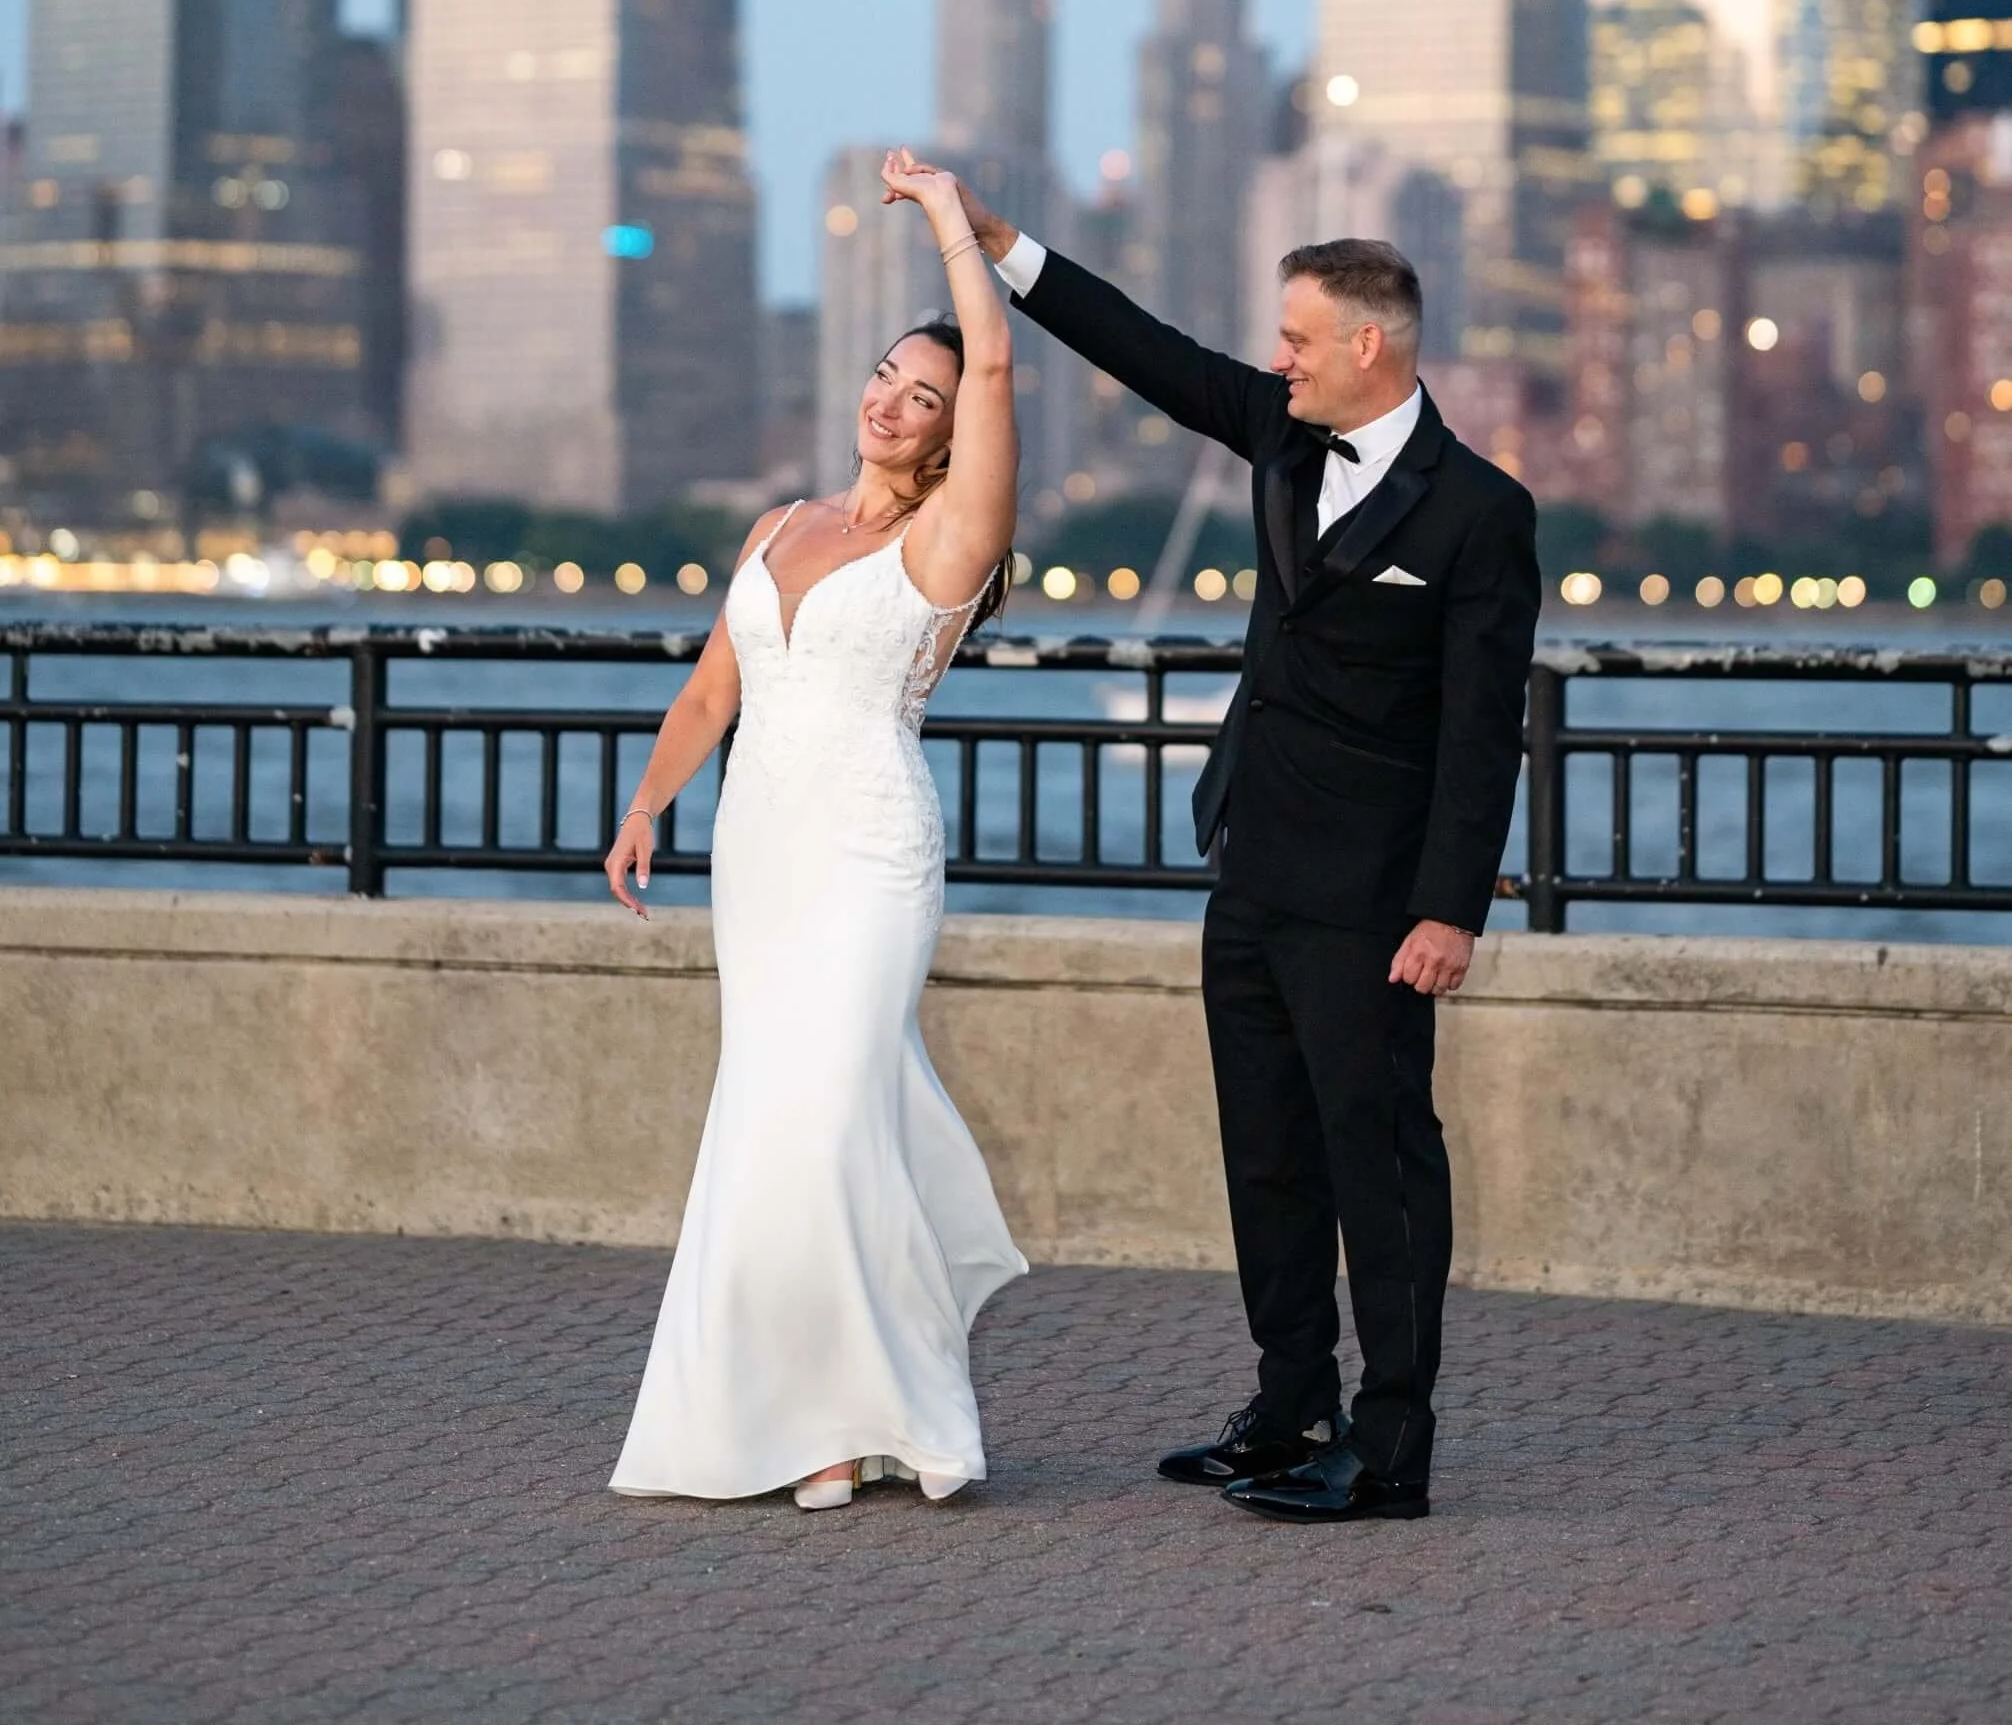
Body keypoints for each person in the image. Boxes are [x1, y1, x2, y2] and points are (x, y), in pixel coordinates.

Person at [937, 179, 1539, 1524]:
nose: (1279, 361)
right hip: (1252, 867)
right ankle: (1287, 1408)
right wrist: (998, 245)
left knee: (1377, 1161)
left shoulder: (1479, 513)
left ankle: (1389, 1449)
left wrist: (1450, 910)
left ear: (1369, 346)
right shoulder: (1278, 431)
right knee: (1265, 1152)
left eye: (1299, 340)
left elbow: (1483, 734)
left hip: (1375, 900)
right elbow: (1146, 350)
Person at [603, 149, 1027, 1511]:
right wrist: (647, 804)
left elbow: (1002, 373)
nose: (895, 406)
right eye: (887, 379)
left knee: (834, 1122)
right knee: (772, 1126)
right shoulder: (779, 525)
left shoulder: (954, 540)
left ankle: (860, 1413)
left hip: (868, 859)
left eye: (927, 399)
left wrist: (957, 227)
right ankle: (810, 1419)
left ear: (955, 432)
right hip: (761, 859)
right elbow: (714, 686)